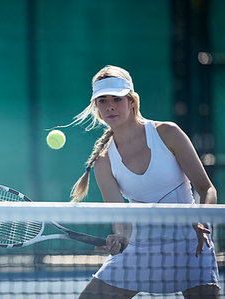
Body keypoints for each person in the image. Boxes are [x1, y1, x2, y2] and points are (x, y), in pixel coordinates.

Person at [68, 65, 220, 298]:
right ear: (96, 108)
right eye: (102, 100)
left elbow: (206, 188)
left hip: (191, 246)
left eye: (117, 99)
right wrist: (119, 237)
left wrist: (202, 218)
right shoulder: (103, 162)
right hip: (140, 251)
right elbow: (121, 220)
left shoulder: (168, 133)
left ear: (131, 102)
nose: (109, 105)